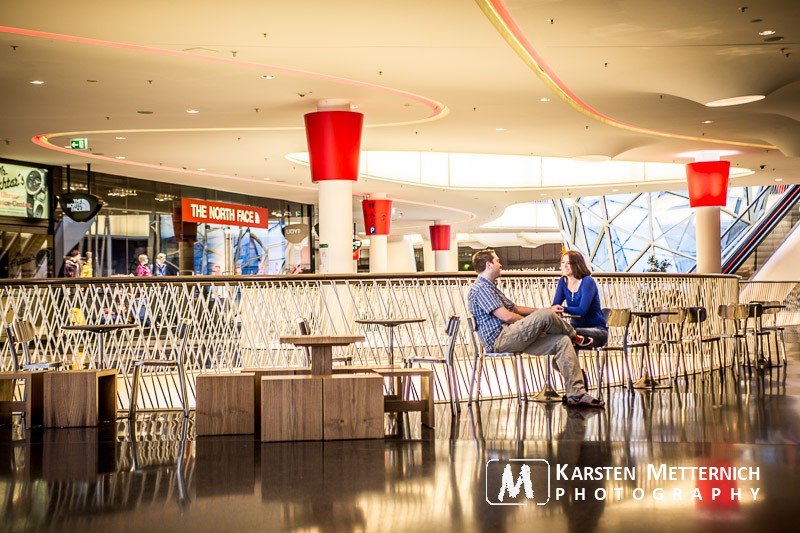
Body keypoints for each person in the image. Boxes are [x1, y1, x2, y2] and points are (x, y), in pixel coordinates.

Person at [467, 249, 604, 408]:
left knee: (562, 341)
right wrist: (539, 320)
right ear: (489, 264)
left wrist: (540, 316)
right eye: (497, 261)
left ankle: (576, 394)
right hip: (501, 338)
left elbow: (515, 308)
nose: (500, 264)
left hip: (513, 336)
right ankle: (575, 335)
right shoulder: (481, 288)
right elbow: (507, 316)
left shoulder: (491, 287)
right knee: (546, 315)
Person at [552, 250, 608, 348]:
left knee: (568, 334)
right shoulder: (563, 282)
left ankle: (574, 340)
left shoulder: (587, 281)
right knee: (560, 335)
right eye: (563, 262)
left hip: (597, 330)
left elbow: (582, 310)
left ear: (577, 265)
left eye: (569, 263)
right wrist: (556, 309)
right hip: (575, 329)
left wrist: (562, 309)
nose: (565, 266)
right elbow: (555, 305)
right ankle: (565, 361)